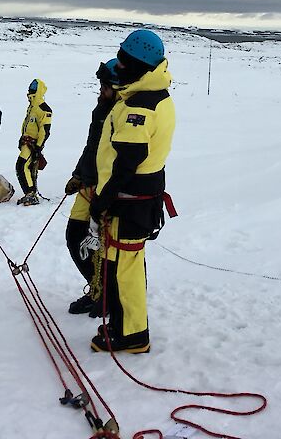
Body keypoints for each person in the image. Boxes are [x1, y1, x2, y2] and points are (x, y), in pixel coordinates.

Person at [90, 29, 175, 355]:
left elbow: (128, 161)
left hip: (129, 201)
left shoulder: (141, 106)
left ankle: (132, 335)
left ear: (139, 66)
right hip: (137, 199)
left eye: (125, 63)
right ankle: (121, 325)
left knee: (125, 270)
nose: (119, 68)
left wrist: (103, 200)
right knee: (119, 263)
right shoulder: (152, 95)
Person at [64, 60, 119, 316]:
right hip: (88, 183)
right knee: (75, 235)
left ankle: (106, 296)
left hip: (106, 189)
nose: (100, 90)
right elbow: (91, 147)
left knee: (103, 246)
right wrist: (78, 174)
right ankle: (97, 288)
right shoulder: (101, 110)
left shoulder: (121, 112)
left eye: (104, 86)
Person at [14, 79, 53, 205]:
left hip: (33, 144)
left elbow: (44, 130)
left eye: (32, 89)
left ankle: (31, 193)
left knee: (22, 165)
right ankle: (30, 193)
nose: (30, 92)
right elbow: (27, 125)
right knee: (25, 167)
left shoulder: (43, 108)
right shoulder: (32, 107)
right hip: (27, 142)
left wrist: (38, 147)